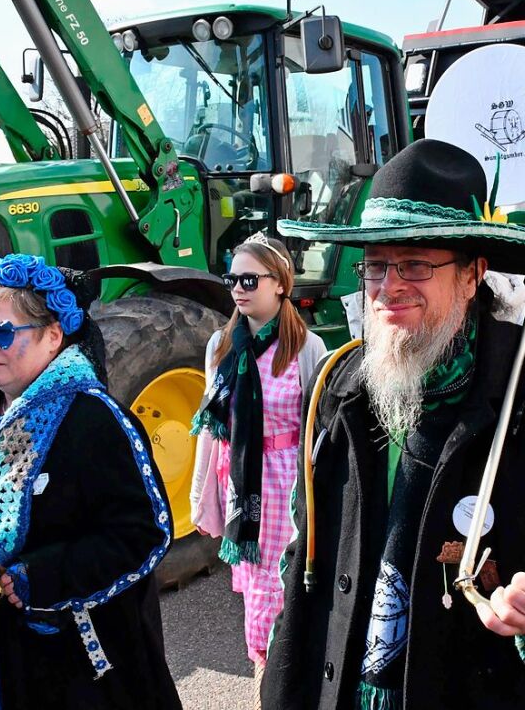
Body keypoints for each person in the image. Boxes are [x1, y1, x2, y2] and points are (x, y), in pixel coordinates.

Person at [262, 139, 525, 709]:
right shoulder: (338, 382)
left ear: (473, 275)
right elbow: (306, 556)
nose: (389, 287)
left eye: (416, 264)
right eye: (375, 266)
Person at [0, 253, 182, 710]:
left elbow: (145, 534)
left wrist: (40, 574)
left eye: (3, 331)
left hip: (66, 658)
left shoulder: (94, 420)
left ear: (53, 336)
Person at [189, 233, 326, 707]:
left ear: (281, 284)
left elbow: (318, 430)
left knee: (289, 597)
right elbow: (211, 428)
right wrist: (201, 493)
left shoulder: (308, 346)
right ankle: (264, 691)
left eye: (249, 279)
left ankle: (291, 688)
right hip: (243, 485)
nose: (238, 289)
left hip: (288, 482)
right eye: (232, 279)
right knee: (260, 606)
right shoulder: (220, 345)